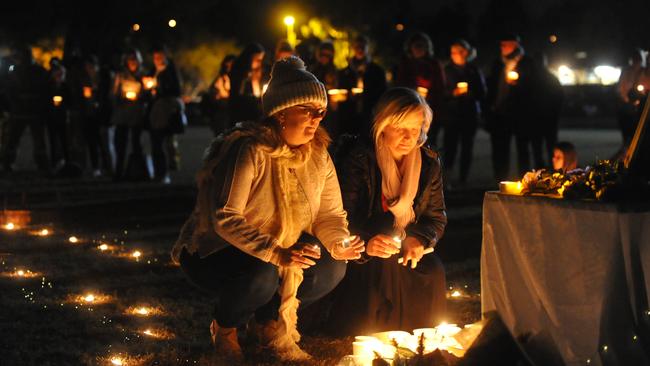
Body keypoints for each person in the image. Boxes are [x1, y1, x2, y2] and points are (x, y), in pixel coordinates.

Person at [171, 56, 365, 362]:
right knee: (263, 273)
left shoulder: (319, 156)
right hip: (218, 250)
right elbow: (225, 216)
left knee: (331, 267)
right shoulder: (250, 149)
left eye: (321, 111)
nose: (316, 118)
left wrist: (339, 243)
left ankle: (267, 323)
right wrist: (277, 252)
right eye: (307, 110)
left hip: (278, 249)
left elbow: (329, 214)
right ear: (280, 113)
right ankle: (224, 328)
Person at [327, 87, 447, 336]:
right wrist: (368, 244)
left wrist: (419, 238)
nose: (408, 137)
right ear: (382, 125)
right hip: (365, 251)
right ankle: (380, 329)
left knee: (433, 269)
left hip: (404, 243)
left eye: (415, 130)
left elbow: (436, 217)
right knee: (386, 264)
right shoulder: (359, 158)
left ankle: (422, 332)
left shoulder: (428, 163)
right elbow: (340, 217)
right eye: (400, 128)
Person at [485, 33, 537, 182]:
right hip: (499, 113)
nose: (501, 47)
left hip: (520, 112)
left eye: (505, 44)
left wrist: (518, 84)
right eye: (501, 44)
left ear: (515, 45)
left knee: (522, 148)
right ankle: (500, 179)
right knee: (500, 149)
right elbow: (490, 86)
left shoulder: (526, 62)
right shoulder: (497, 63)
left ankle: (525, 180)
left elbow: (533, 87)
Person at [442, 39, 486, 187]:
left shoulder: (473, 70)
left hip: (469, 114)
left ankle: (463, 179)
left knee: (467, 147)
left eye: (458, 51)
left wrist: (472, 94)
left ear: (465, 53)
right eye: (452, 52)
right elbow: (441, 91)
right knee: (450, 148)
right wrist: (453, 93)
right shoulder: (447, 70)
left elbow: (483, 92)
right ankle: (447, 179)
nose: (454, 55)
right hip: (452, 114)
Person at [1, 45, 50, 174]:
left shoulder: (34, 70)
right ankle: (10, 163)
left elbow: (46, 90)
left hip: (27, 111)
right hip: (25, 111)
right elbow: (7, 87)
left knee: (22, 139)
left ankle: (40, 163)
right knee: (16, 139)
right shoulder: (20, 70)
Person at [395, 32, 446, 146]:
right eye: (416, 45)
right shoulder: (405, 64)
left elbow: (440, 87)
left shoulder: (434, 64)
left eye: (422, 45)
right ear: (410, 48)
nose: (419, 49)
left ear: (427, 47)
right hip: (409, 110)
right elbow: (400, 86)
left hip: (431, 109)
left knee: (429, 143)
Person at [110, 47, 149, 181]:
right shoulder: (120, 75)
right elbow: (113, 94)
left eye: (134, 59)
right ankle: (118, 172)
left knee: (137, 143)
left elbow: (149, 93)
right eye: (130, 59)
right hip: (122, 115)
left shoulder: (144, 75)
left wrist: (142, 96)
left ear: (139, 61)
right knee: (120, 144)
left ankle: (137, 172)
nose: (132, 62)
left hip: (137, 115)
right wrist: (121, 98)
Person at [338, 35, 387, 139]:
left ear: (368, 48)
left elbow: (382, 92)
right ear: (353, 48)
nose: (360, 49)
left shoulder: (377, 71)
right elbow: (341, 90)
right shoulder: (345, 72)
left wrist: (366, 95)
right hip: (349, 114)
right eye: (357, 47)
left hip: (370, 113)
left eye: (362, 47)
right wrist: (348, 94)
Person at [148, 45, 183, 183]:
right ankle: (159, 172)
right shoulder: (153, 71)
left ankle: (165, 171)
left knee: (165, 142)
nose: (157, 59)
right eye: (155, 57)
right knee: (156, 142)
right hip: (155, 110)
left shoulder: (170, 71)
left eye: (160, 57)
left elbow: (175, 90)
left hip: (167, 110)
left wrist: (159, 89)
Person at [309, 41, 340, 138]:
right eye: (323, 54)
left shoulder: (334, 71)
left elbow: (336, 89)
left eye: (328, 55)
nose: (325, 57)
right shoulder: (312, 70)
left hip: (329, 109)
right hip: (314, 106)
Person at [229, 43, 266, 124]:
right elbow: (237, 93)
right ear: (249, 58)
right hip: (239, 109)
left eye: (261, 60)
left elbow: (256, 92)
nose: (259, 63)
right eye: (257, 60)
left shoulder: (256, 71)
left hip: (252, 110)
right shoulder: (238, 69)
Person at [203, 54, 236, 136]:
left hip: (232, 113)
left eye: (232, 65)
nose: (229, 68)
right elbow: (213, 95)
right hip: (222, 113)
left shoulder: (237, 79)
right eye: (227, 66)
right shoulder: (220, 80)